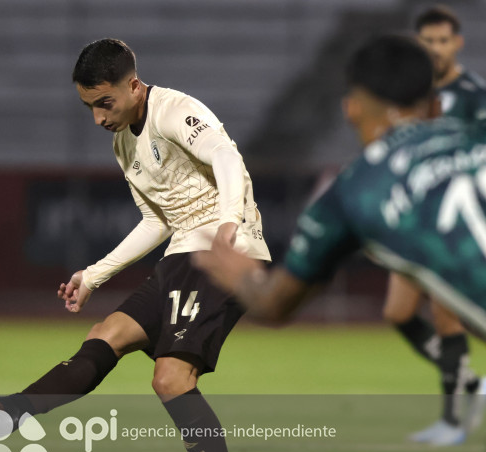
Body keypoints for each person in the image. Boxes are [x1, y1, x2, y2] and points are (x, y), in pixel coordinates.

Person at [0, 38, 270, 452]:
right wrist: (94, 275)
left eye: (105, 103)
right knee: (109, 332)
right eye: (88, 107)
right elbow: (153, 220)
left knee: (171, 379)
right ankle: (8, 413)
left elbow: (226, 156)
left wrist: (228, 221)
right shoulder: (123, 141)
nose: (97, 117)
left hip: (221, 253)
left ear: (133, 87)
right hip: (182, 251)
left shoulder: (175, 110)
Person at [194, 35, 486, 393]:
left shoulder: (351, 193)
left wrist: (242, 277)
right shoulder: (476, 135)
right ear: (436, 106)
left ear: (352, 109)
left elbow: (274, 304)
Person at [381, 5, 486, 446]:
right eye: (429, 41)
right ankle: (474, 387)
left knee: (446, 315)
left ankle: (452, 421)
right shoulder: (409, 94)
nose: (437, 49)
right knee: (399, 314)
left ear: (457, 44)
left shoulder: (474, 94)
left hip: (455, 219)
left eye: (444, 41)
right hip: (415, 220)